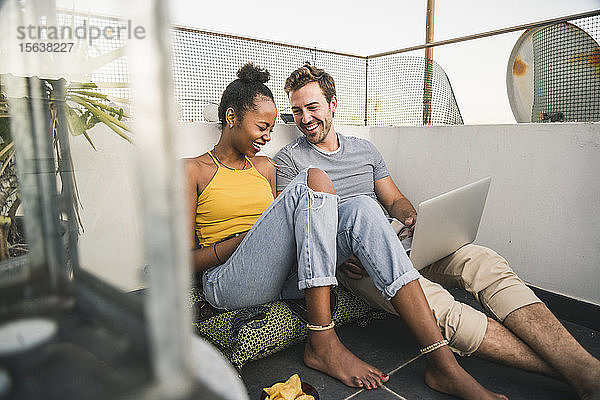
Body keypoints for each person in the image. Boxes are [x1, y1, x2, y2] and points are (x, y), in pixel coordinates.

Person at [274, 62, 600, 400]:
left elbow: (396, 200)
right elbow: (302, 231)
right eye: (296, 111)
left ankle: (582, 367)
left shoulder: (365, 150)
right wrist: (342, 256)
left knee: (483, 260)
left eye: (312, 107)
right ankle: (578, 370)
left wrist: (412, 219)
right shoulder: (290, 160)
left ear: (333, 104)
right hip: (357, 263)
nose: (305, 118)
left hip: (401, 242)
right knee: (442, 307)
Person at [186, 63, 507, 399]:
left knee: (364, 208)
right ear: (233, 117)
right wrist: (237, 244)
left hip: (279, 275)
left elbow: (283, 229)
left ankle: (443, 364)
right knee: (314, 178)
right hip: (229, 281)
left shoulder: (265, 166)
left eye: (271, 128)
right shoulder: (192, 169)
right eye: (262, 127)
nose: (268, 136)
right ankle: (322, 341)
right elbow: (184, 262)